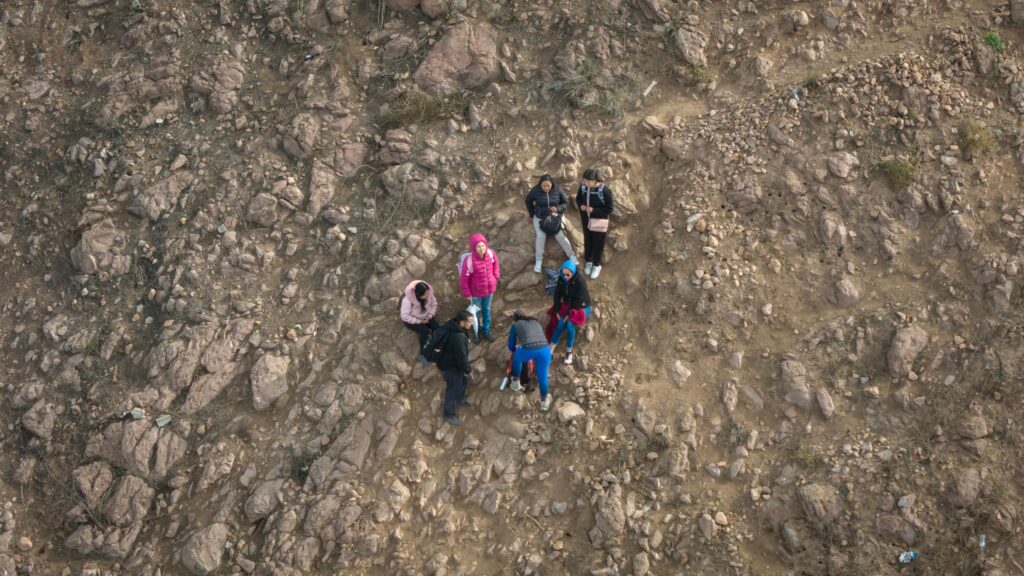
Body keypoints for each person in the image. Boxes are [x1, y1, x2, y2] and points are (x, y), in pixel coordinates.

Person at [525, 174, 577, 273]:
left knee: (560, 235)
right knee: (540, 236)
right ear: (540, 184)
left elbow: (566, 203)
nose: (546, 188)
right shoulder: (535, 190)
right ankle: (539, 260)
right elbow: (528, 202)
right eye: (544, 185)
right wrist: (531, 215)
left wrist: (557, 209)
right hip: (540, 217)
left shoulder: (557, 189)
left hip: (554, 216)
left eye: (548, 185)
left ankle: (572, 256)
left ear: (552, 184)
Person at [507, 310, 554, 411]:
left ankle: (515, 383)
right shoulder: (535, 322)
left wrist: (516, 350)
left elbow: (511, 345)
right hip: (545, 350)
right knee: (543, 377)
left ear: (515, 319)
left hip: (527, 349)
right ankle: (544, 402)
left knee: (517, 359)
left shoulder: (516, 325)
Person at [459, 233, 501, 342]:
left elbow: (496, 264)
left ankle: (486, 331)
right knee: (475, 313)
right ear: (474, 248)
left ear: (486, 245)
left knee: (486, 310)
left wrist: (496, 276)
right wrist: (467, 293)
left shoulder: (491, 254)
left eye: (483, 245)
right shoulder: (469, 261)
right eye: (478, 246)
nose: (481, 248)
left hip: (489, 290)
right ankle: (476, 332)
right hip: (476, 292)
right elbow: (464, 278)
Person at [436, 310, 475, 426]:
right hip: (451, 368)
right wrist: (467, 370)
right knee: (452, 390)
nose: (471, 324)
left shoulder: (455, 327)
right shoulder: (458, 337)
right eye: (469, 322)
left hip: (452, 364)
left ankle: (460, 398)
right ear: (462, 323)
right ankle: (448, 413)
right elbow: (461, 357)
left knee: (463, 381)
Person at [549, 260, 591, 365]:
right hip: (569, 304)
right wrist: (556, 309)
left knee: (569, 324)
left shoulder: (580, 282)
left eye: (568, 274)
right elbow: (557, 295)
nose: (565, 277)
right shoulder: (561, 279)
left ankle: (569, 351)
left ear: (573, 272)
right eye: (563, 274)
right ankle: (550, 350)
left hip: (581, 306)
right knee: (560, 323)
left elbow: (579, 299)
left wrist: (569, 314)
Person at [575, 168, 615, 279]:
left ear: (596, 180)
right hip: (586, 219)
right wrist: (581, 206)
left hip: (599, 221)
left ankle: (596, 265)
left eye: (588, 181)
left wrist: (593, 211)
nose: (585, 183)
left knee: (598, 243)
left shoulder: (605, 191)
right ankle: (588, 261)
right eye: (584, 180)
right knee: (587, 240)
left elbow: (609, 209)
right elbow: (578, 199)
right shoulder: (583, 188)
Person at [399, 280, 439, 364]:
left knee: (437, 328)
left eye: (428, 292)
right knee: (425, 332)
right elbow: (404, 316)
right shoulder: (408, 301)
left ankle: (437, 347)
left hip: (426, 316)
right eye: (425, 294)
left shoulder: (429, 294)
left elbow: (434, 305)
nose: (428, 295)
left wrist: (430, 315)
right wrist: (419, 321)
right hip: (411, 320)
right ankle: (423, 355)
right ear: (419, 295)